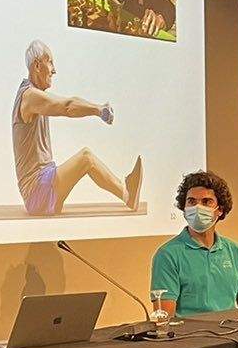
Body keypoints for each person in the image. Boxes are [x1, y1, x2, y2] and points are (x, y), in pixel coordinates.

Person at [12, 40, 142, 216]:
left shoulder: (33, 96)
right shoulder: (30, 96)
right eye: (49, 61)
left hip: (43, 185)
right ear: (37, 65)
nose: (54, 69)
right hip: (37, 192)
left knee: (86, 159)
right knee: (86, 157)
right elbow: (67, 106)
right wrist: (98, 110)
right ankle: (127, 195)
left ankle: (126, 193)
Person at [150, 171, 238, 318]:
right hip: (190, 338)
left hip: (233, 333)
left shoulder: (235, 251)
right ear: (184, 209)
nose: (197, 207)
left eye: (206, 202)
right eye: (191, 201)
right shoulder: (167, 254)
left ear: (220, 210)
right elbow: (165, 319)